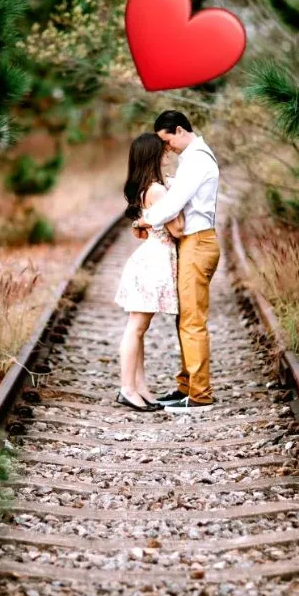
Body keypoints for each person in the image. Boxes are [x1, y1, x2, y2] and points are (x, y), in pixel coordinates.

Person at [136, 110, 220, 413]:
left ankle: (199, 395)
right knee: (183, 317)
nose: (166, 147)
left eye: (166, 139)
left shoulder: (197, 159)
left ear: (180, 130)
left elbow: (173, 204)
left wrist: (145, 220)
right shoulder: (192, 159)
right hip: (193, 244)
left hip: (198, 243)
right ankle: (186, 385)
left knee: (192, 320)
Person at [114, 132, 185, 412]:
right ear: (153, 155)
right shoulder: (157, 190)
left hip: (149, 257)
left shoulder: (147, 187)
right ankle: (127, 388)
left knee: (139, 328)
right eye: (162, 150)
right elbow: (177, 229)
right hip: (154, 261)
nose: (166, 153)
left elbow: (144, 228)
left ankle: (140, 387)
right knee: (136, 327)